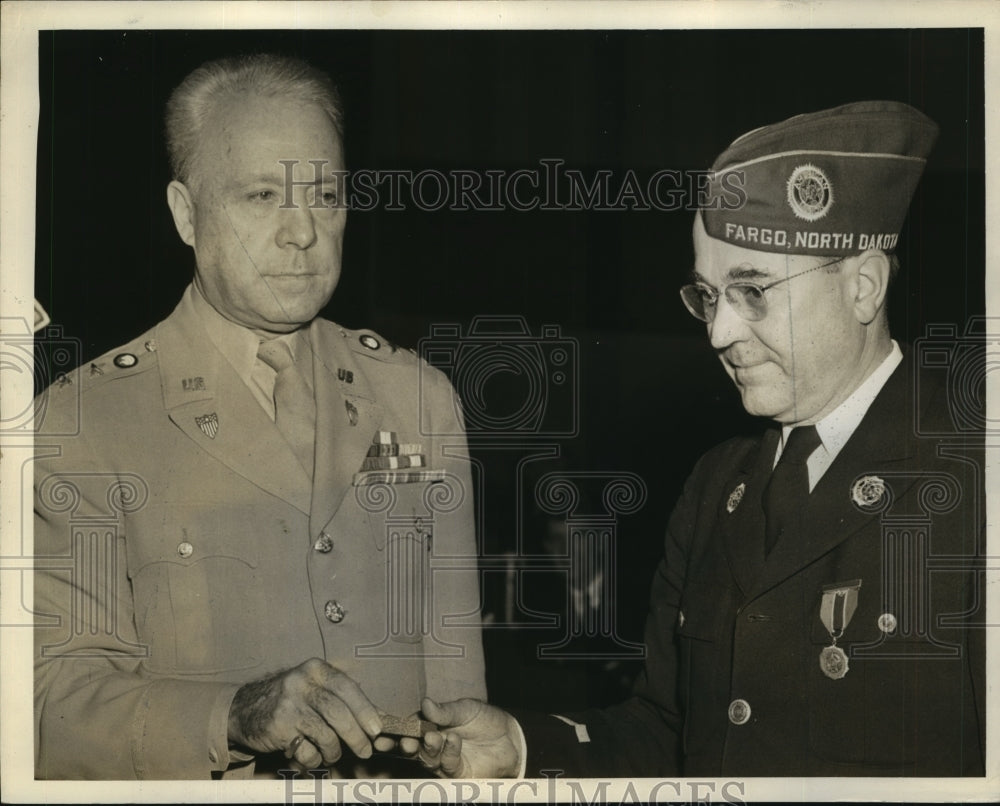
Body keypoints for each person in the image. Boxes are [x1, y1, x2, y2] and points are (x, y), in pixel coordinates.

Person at [415, 101, 986, 777]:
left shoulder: (972, 473)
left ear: (862, 286)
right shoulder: (719, 485)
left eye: (752, 291)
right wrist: (524, 748)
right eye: (707, 296)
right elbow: (668, 731)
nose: (718, 333)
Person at [32, 54, 486, 780]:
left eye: (325, 195)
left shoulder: (417, 399)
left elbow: (462, 707)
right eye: (261, 195)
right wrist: (233, 717)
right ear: (186, 213)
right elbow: (54, 708)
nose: (302, 232)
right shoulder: (84, 423)